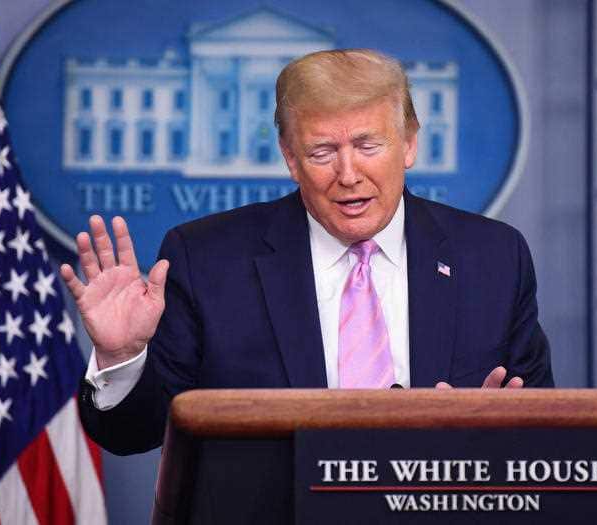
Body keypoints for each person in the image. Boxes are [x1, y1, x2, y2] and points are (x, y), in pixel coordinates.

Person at [61, 49, 554, 456]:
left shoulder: (492, 257)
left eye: (368, 145)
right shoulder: (207, 259)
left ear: (408, 144)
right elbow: (133, 435)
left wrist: (500, 435)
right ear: (290, 159)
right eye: (321, 152)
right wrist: (122, 356)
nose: (348, 174)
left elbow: (549, 440)